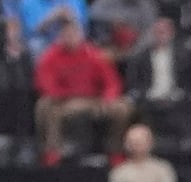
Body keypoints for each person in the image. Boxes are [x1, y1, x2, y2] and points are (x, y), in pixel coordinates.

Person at [35, 14, 130, 160]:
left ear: (81, 35)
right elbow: (45, 84)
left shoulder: (93, 55)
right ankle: (52, 154)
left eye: (74, 33)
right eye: (67, 34)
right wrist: (67, 97)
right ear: (61, 36)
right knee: (45, 105)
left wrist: (108, 98)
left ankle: (115, 152)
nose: (71, 37)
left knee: (122, 109)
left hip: (93, 101)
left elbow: (112, 82)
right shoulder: (50, 56)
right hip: (65, 101)